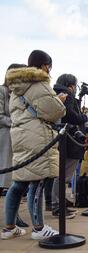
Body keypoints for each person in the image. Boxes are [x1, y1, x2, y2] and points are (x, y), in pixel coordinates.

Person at [1, 50, 66, 240]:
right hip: (36, 135)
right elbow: (55, 112)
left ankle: (9, 227)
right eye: (50, 66)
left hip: (21, 134)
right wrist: (59, 101)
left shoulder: (17, 85)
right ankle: (38, 228)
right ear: (44, 65)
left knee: (19, 183)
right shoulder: (38, 84)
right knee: (37, 181)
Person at [51, 74, 88, 218]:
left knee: (61, 175)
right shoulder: (67, 95)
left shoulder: (57, 93)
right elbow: (70, 115)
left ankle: (58, 203)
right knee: (63, 175)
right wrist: (83, 118)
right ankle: (58, 206)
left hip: (65, 138)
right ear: (71, 85)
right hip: (70, 140)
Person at [0, 64, 29, 228]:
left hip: (15, 139)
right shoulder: (2, 91)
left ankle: (13, 216)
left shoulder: (19, 93)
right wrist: (18, 123)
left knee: (14, 181)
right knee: (4, 180)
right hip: (4, 140)